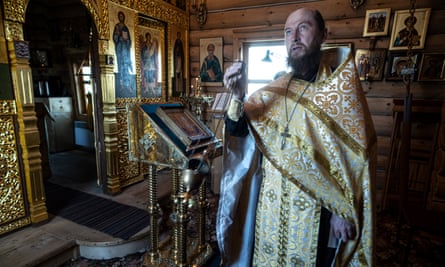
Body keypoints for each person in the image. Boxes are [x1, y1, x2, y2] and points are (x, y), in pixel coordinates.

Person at [216, 7, 376, 266]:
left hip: (317, 208)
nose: (294, 37)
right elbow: (238, 131)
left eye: (303, 27)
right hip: (270, 203)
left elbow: (355, 160)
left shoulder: (341, 93)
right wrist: (237, 96)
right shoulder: (273, 91)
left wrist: (341, 209)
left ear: (324, 34)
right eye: (288, 31)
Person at [113, 11, 134, 97]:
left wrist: (126, 40)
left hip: (125, 49)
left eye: (122, 16)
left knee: (126, 67)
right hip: (120, 49)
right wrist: (118, 36)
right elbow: (115, 38)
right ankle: (121, 85)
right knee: (121, 67)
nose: (121, 17)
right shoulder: (117, 26)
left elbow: (129, 40)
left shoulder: (126, 28)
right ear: (119, 17)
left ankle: (128, 85)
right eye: (120, 16)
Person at [141, 32, 159, 97]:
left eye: (149, 37)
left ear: (150, 38)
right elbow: (142, 54)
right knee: (146, 75)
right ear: (146, 37)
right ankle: (146, 88)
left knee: (151, 75)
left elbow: (154, 55)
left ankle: (151, 88)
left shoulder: (152, 45)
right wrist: (145, 57)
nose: (148, 38)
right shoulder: (144, 46)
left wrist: (154, 61)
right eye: (147, 37)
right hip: (146, 62)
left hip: (151, 63)